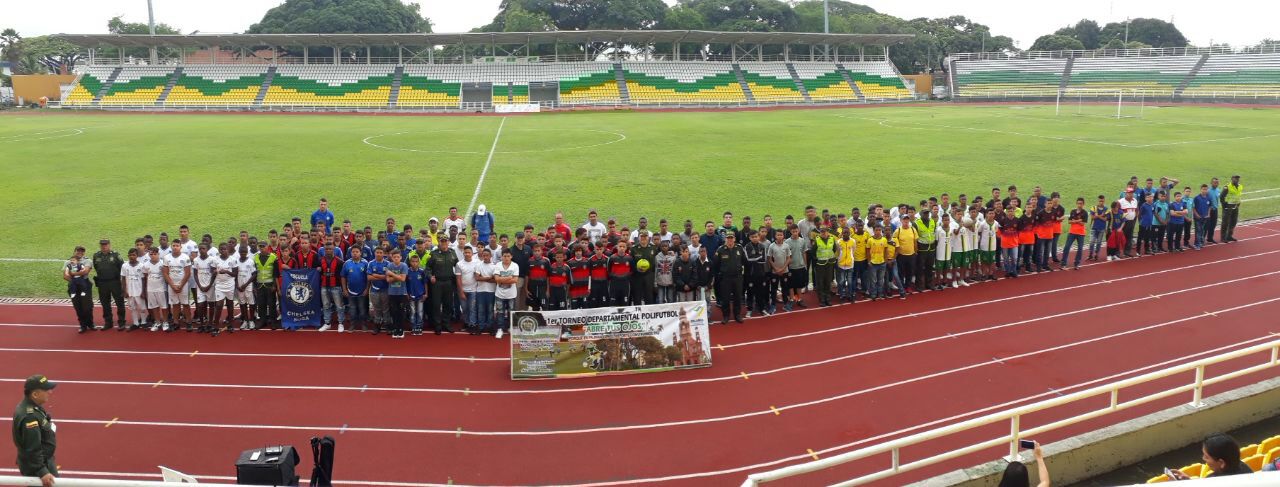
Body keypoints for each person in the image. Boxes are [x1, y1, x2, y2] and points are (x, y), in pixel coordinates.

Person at [13, 375, 58, 487]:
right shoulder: (30, 417)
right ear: (35, 394)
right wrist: (42, 471)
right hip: (38, 468)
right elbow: (32, 447)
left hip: (42, 462)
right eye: (46, 390)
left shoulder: (33, 406)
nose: (50, 392)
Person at [1169, 434, 1252, 479]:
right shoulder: (1245, 469)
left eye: (1206, 456)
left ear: (1221, 463)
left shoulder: (1212, 481)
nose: (1203, 458)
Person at [712, 233, 746, 323]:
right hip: (725, 278)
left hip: (737, 277)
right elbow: (715, 263)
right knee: (725, 298)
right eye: (728, 238)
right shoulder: (720, 249)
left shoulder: (739, 248)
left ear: (734, 239)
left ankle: (737, 315)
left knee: (738, 297)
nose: (730, 240)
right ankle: (726, 316)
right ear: (725, 239)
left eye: (731, 238)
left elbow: (744, 261)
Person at [91, 239, 124, 330]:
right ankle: (108, 322)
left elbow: (122, 268)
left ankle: (121, 322)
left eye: (105, 245)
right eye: (102, 245)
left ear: (109, 245)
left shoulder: (116, 255)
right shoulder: (96, 255)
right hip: (102, 282)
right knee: (105, 303)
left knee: (119, 302)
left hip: (115, 282)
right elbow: (96, 267)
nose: (104, 246)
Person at [64, 247, 94, 333]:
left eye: (82, 251)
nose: (80, 253)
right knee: (78, 306)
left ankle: (90, 323)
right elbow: (65, 276)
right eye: (78, 251)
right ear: (74, 251)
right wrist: (75, 281)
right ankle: (82, 325)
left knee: (88, 306)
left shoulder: (87, 261)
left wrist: (73, 274)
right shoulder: (68, 262)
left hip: (85, 284)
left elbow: (85, 272)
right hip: (73, 285)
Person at [210, 244, 238, 336]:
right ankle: (216, 326)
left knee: (230, 305)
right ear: (219, 250)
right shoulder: (215, 260)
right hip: (219, 285)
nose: (223, 251)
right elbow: (212, 271)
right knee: (219, 305)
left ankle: (230, 324)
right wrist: (215, 271)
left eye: (225, 249)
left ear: (228, 250)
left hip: (230, 285)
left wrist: (226, 271)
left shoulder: (233, 260)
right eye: (221, 249)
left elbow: (235, 274)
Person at [341, 247, 369, 332]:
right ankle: (352, 324)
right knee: (352, 309)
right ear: (351, 253)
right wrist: (345, 289)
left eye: (357, 252)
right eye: (353, 252)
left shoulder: (365, 263)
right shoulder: (347, 263)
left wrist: (367, 289)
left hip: (362, 291)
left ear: (360, 253)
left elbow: (368, 278)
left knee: (362, 309)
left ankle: (363, 324)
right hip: (350, 291)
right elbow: (343, 277)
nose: (355, 253)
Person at [318, 241, 344, 332]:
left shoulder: (340, 261)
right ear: (324, 250)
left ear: (334, 249)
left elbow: (342, 276)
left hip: (336, 286)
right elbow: (317, 273)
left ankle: (341, 323)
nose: (328, 251)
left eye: (330, 249)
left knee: (339, 305)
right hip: (324, 286)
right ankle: (327, 323)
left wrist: (343, 288)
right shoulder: (320, 260)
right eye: (326, 249)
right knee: (326, 305)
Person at [120, 249, 148, 331]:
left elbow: (144, 280)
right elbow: (123, 279)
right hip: (130, 291)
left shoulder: (142, 266)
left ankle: (143, 322)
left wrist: (143, 291)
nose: (132, 257)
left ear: (137, 256)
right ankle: (135, 323)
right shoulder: (124, 266)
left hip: (139, 290)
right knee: (133, 308)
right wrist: (124, 291)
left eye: (134, 255)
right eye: (130, 255)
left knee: (142, 308)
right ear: (128, 256)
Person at [384, 251, 409, 339]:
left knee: (401, 312)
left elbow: (403, 279)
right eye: (394, 257)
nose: (396, 258)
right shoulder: (389, 265)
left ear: (401, 257)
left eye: (398, 257)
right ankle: (395, 328)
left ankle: (401, 329)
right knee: (394, 311)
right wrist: (397, 276)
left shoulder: (404, 266)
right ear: (392, 258)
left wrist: (391, 274)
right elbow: (388, 280)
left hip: (401, 293)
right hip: (392, 293)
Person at [811, 226, 836, 307]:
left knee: (828, 282)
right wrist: (817, 260)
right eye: (822, 231)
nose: (823, 233)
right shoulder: (817, 240)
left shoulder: (832, 239)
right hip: (820, 265)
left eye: (825, 231)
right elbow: (813, 252)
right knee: (820, 283)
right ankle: (822, 300)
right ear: (820, 232)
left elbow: (834, 249)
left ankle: (828, 299)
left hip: (829, 264)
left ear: (827, 232)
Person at [1060, 198, 1088, 270]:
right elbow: (1069, 221)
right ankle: (1063, 263)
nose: (1079, 205)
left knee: (1080, 249)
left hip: (1081, 233)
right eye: (1078, 203)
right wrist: (1078, 220)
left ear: (1083, 204)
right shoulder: (1072, 211)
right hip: (1072, 232)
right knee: (1067, 247)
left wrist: (1075, 221)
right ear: (1076, 203)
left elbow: (1083, 223)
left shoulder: (1085, 213)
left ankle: (1076, 263)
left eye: (1081, 203)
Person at [866, 225, 889, 300]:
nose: (878, 232)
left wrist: (885, 260)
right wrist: (869, 261)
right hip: (873, 263)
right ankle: (873, 294)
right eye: (876, 230)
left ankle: (880, 293)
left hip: (882, 263)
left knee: (881, 279)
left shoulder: (884, 240)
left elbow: (886, 250)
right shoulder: (870, 240)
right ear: (874, 231)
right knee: (873, 280)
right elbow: (867, 251)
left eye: (879, 230)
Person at [1118, 188, 1139, 257]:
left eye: (1132, 193)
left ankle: (1127, 251)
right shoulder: (1120, 201)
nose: (1131, 194)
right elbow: (1117, 212)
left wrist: (1135, 217)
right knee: (1121, 237)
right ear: (1126, 193)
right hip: (1123, 222)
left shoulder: (1135, 200)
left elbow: (1136, 209)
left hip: (1132, 221)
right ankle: (1118, 252)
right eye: (1129, 193)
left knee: (1129, 237)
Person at [1087, 195, 1108, 261]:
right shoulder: (1093, 208)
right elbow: (1092, 217)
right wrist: (1101, 215)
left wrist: (1098, 216)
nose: (1101, 202)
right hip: (1094, 228)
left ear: (1104, 201)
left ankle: (1096, 254)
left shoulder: (1106, 209)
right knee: (1091, 242)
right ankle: (1090, 254)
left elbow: (1105, 219)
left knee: (1099, 242)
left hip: (1102, 228)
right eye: (1100, 201)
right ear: (1098, 201)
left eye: (1102, 201)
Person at [1193, 184, 1213, 250]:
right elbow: (1193, 208)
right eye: (1203, 189)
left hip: (1205, 217)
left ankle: (1200, 242)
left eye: (1206, 189)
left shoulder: (1208, 198)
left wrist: (1208, 214)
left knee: (1202, 230)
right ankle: (1197, 244)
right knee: (1198, 231)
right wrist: (1196, 215)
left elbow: (1210, 206)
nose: (1205, 191)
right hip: (1198, 218)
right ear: (1200, 189)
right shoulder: (1196, 198)